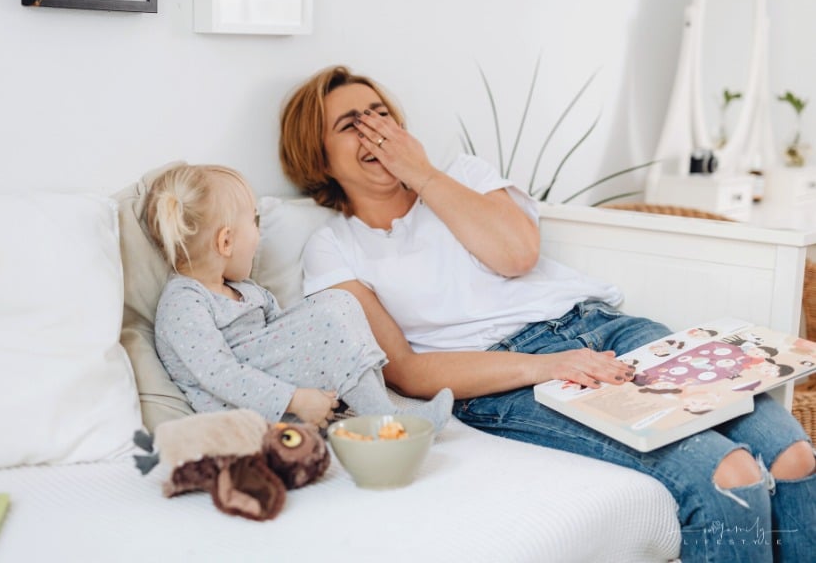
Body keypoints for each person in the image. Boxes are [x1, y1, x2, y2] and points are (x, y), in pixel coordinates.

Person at [278, 65, 815, 562]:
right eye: (351, 124)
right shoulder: (335, 249)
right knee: (728, 474)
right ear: (318, 158)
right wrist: (551, 366)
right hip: (508, 376)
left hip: (603, 327)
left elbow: (516, 255)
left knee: (792, 454)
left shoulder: (462, 174)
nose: (374, 130)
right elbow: (406, 372)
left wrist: (424, 176)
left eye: (380, 114)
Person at [146, 164, 453, 431]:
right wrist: (295, 399)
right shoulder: (184, 302)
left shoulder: (246, 290)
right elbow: (219, 374)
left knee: (339, 302)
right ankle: (386, 420)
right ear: (225, 242)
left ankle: (369, 409)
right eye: (253, 222)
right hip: (241, 410)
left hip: (288, 393)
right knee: (328, 319)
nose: (258, 232)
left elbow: (283, 333)